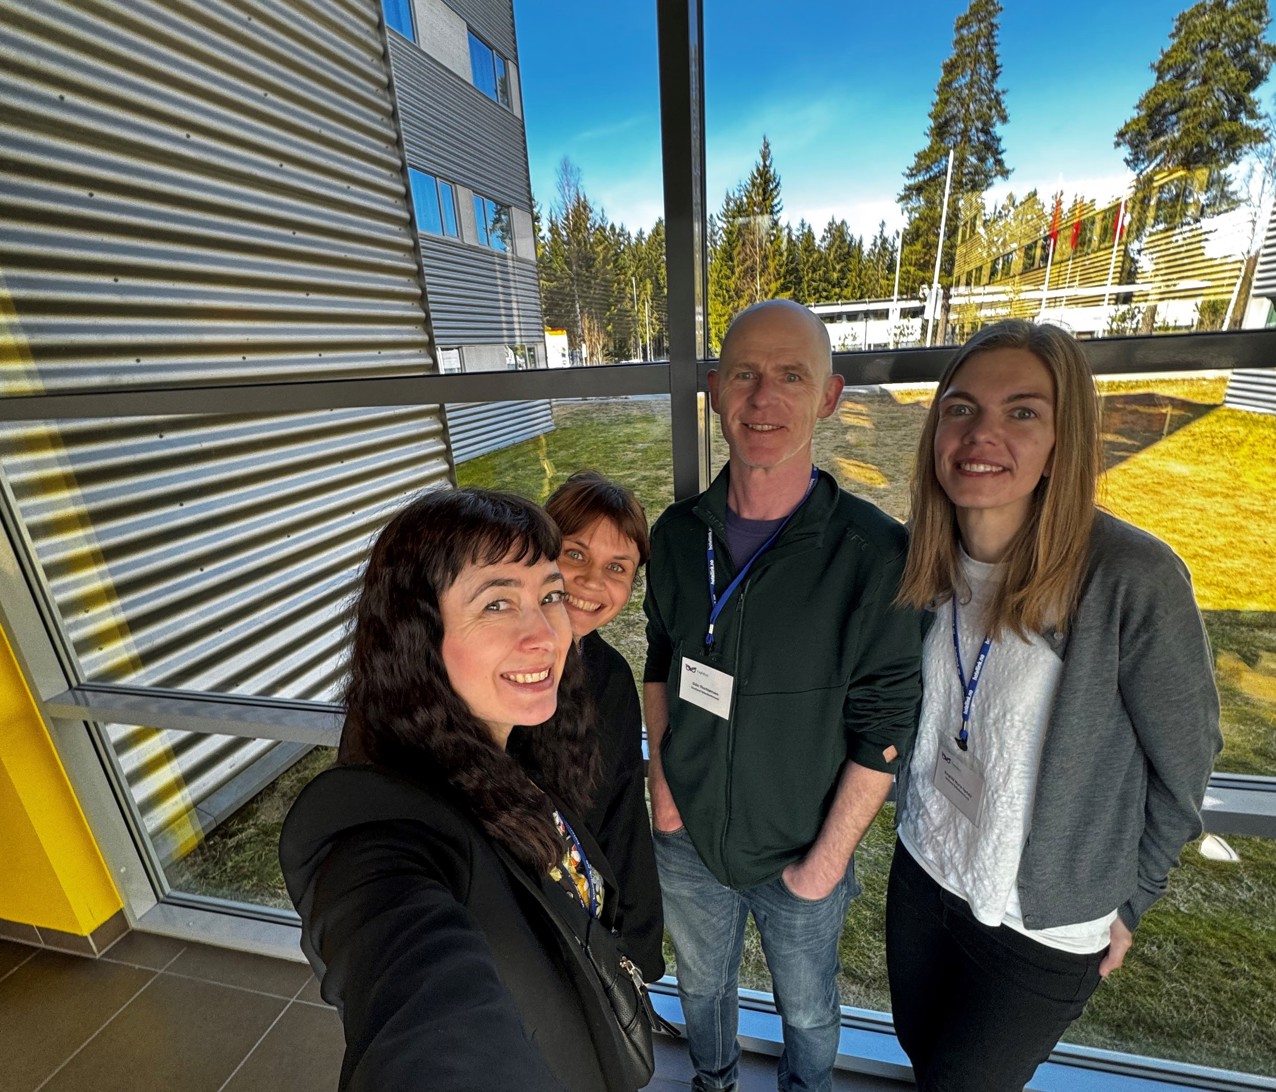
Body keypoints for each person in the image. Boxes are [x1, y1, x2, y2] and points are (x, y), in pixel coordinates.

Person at [886, 319, 1222, 1092]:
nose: (982, 434)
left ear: (1063, 443)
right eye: (961, 408)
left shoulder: (1133, 579)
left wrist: (1133, 900)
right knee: (923, 1060)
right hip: (928, 870)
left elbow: (1186, 766)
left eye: (1023, 412)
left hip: (1044, 924)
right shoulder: (925, 559)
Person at [643, 298, 924, 1092]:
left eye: (791, 376)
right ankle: (715, 1080)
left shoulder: (874, 556)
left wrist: (824, 864)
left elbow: (884, 725)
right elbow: (661, 657)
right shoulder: (676, 536)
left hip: (804, 853)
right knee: (701, 990)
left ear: (829, 397)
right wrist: (664, 790)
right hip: (687, 836)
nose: (763, 398)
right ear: (714, 389)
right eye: (745, 374)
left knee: (807, 1013)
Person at [279, 487, 647, 1092]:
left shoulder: (518, 739)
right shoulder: (380, 833)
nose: (547, 635)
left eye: (548, 595)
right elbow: (423, 1005)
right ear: (417, 635)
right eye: (498, 604)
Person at [510, 470, 664, 980]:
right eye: (575, 555)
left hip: (589, 924)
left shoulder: (612, 677)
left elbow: (621, 810)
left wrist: (637, 940)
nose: (593, 582)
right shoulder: (498, 670)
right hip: (516, 929)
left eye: (617, 568)